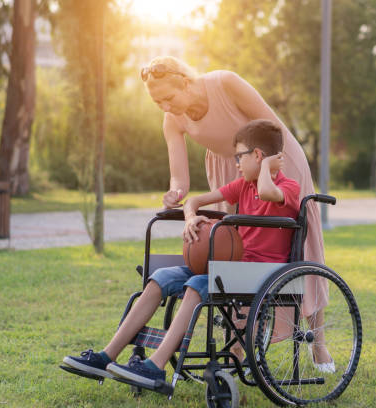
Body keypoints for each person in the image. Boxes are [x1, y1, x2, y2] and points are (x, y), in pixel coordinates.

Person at [63, 119, 330, 389]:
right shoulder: (242, 185)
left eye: (240, 156)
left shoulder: (289, 187)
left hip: (259, 274)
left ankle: (155, 367)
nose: (236, 163)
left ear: (259, 156)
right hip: (227, 268)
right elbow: (194, 201)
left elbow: (266, 191)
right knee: (160, 278)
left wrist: (264, 169)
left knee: (195, 286)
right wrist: (190, 218)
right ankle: (105, 357)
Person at [141, 56, 332, 367]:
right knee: (233, 255)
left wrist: (265, 172)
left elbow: (273, 130)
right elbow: (179, 177)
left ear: (186, 82)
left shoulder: (224, 84)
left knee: (301, 250)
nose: (164, 106)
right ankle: (238, 348)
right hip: (232, 172)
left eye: (168, 97)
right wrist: (175, 192)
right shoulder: (172, 119)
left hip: (275, 162)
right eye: (157, 101)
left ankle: (318, 342)